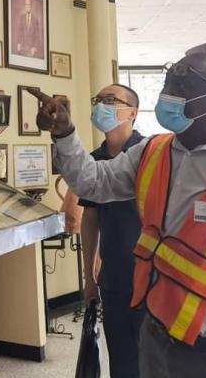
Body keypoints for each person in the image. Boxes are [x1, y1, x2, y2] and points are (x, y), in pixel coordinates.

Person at [30, 52, 206, 378]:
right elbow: (93, 183)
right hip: (153, 326)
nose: (168, 95)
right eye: (168, 85)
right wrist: (64, 134)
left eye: (181, 86)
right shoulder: (153, 151)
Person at [79, 82, 144, 378]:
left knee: (152, 356)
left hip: (150, 274)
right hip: (114, 275)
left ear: (132, 112)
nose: (101, 105)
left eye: (110, 100)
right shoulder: (94, 161)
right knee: (120, 356)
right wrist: (89, 277)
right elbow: (90, 219)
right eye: (98, 99)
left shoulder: (150, 153)